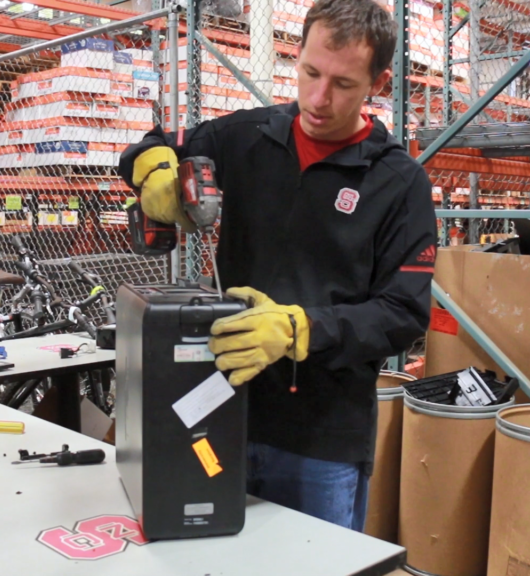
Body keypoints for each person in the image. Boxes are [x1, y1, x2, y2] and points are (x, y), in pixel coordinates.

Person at [118, 0, 437, 532]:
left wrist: (298, 328)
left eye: (342, 83)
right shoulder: (243, 139)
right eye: (310, 72)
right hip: (220, 410)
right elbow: (150, 147)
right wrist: (153, 175)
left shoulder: (399, 183)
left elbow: (403, 312)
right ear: (298, 55)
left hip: (321, 439)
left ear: (378, 83)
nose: (318, 98)